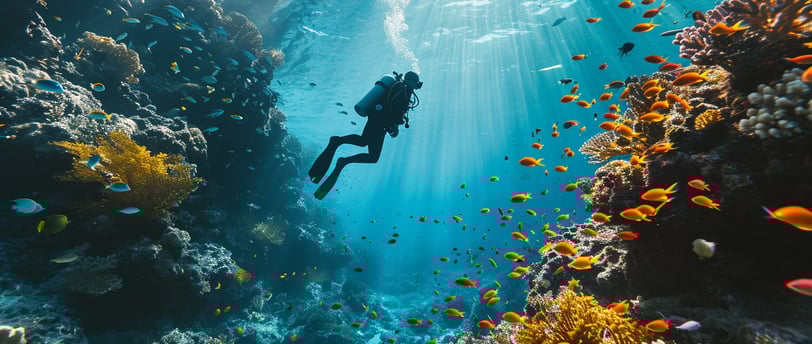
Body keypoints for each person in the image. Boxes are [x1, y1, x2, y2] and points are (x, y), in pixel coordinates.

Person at [309, 71, 422, 200]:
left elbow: (395, 110)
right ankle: (337, 144)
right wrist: (395, 125)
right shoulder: (402, 90)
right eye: (416, 82)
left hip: (380, 121)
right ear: (411, 81)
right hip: (379, 121)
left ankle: (342, 157)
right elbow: (395, 110)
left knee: (370, 152)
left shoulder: (402, 90)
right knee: (367, 147)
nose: (417, 86)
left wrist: (394, 125)